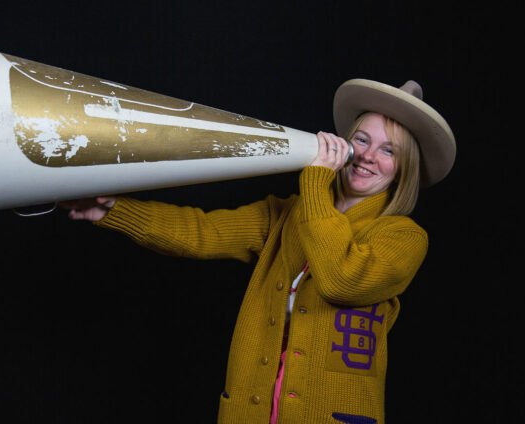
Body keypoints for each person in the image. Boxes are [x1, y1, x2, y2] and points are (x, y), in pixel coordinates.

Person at [59, 78, 456, 424]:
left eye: (389, 151)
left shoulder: (403, 237)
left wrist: (315, 181)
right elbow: (202, 232)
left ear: (404, 169)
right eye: (362, 140)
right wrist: (111, 209)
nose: (368, 156)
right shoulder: (283, 215)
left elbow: (342, 280)